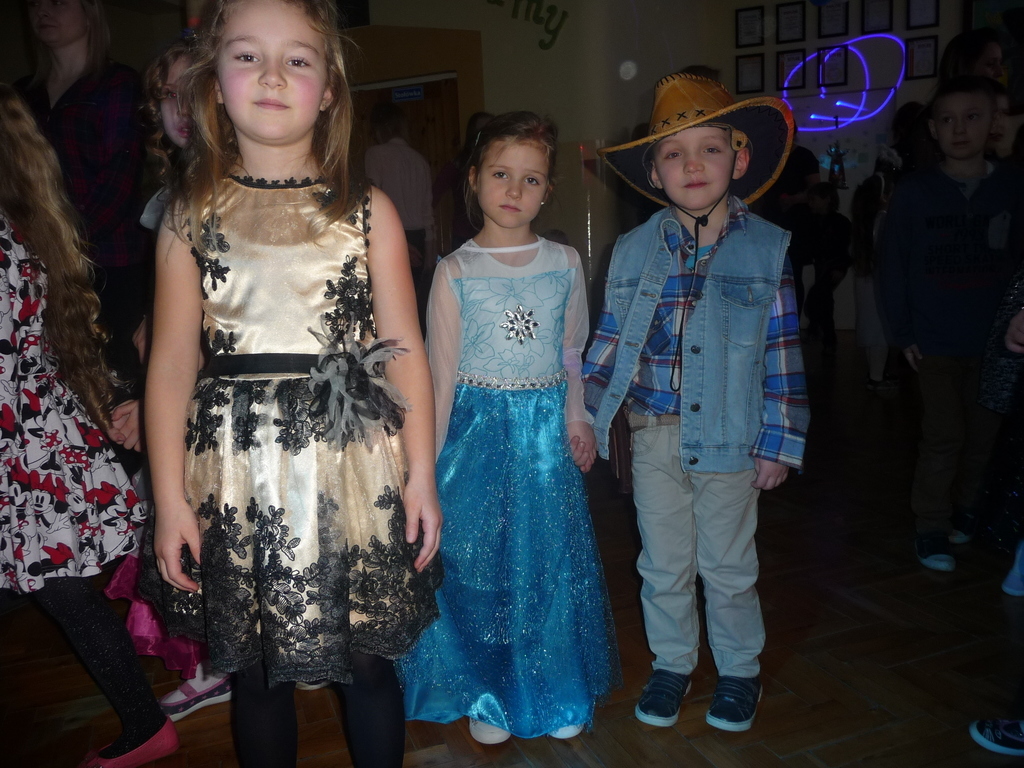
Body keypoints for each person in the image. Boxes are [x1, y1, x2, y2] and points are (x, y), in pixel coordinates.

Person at [143, 1, 443, 765]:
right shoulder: (189, 213)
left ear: (330, 88)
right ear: (215, 84)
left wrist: (422, 474)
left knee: (369, 664)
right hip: (234, 474)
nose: (272, 75)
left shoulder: (367, 211)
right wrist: (170, 500)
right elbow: (171, 366)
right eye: (248, 56)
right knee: (256, 674)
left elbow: (405, 351)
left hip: (352, 467)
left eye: (298, 59)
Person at [584, 72, 809, 733]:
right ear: (654, 173)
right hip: (653, 434)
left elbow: (783, 355)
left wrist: (779, 443)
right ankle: (672, 662)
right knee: (662, 564)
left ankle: (739, 670)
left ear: (739, 160)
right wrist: (584, 420)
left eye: (710, 148)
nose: (692, 165)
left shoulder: (768, 249)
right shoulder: (630, 251)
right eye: (674, 153)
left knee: (728, 567)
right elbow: (608, 345)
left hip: (732, 438)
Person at [399, 111, 620, 745]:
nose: (515, 190)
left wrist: (578, 416)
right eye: (501, 174)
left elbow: (572, 351)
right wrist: (426, 467)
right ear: (474, 179)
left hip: (545, 439)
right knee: (480, 569)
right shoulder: (455, 271)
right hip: (475, 439)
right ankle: (489, 696)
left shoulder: (564, 262)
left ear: (548, 190)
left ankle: (558, 689)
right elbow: (439, 375)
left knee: (550, 563)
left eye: (531, 179)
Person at [0, 83, 177, 767]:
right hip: (37, 441)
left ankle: (147, 722)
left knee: (63, 590)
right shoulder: (22, 228)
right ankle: (146, 721)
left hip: (27, 449)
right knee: (62, 589)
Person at [101, 35, 234, 724]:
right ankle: (219, 661)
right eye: (166, 95)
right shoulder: (170, 196)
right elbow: (166, 320)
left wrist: (164, 401)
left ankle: (230, 662)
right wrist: (142, 390)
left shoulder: (235, 187)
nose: (179, 107)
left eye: (193, 88)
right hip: (185, 388)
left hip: (229, 399)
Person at [879, 75, 1024, 572]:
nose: (960, 129)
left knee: (984, 437)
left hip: (998, 343)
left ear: (993, 122)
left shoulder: (1012, 186)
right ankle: (931, 525)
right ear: (933, 130)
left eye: (972, 117)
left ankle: (968, 508)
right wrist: (903, 333)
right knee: (943, 436)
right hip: (935, 340)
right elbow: (894, 266)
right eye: (948, 120)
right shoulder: (915, 193)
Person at [17, 0, 148, 385]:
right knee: (52, 377)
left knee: (115, 380)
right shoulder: (23, 93)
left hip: (110, 264)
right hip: (38, 261)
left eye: (58, 0)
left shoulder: (119, 84)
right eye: (35, 1)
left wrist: (59, 244)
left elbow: (118, 184)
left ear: (90, 11)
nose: (43, 9)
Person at [850, 154, 899, 390]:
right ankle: (876, 378)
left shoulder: (864, 222)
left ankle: (874, 375)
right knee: (880, 332)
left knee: (871, 330)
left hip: (866, 280)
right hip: (881, 283)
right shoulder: (883, 220)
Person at [799, 182, 851, 356]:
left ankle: (823, 335)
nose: (810, 203)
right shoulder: (814, 220)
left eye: (814, 199)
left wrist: (840, 267)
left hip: (832, 266)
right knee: (823, 300)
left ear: (827, 199)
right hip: (823, 265)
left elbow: (845, 248)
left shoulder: (840, 223)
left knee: (820, 299)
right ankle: (825, 336)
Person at [432, 110, 494, 254]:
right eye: (482, 132)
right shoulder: (457, 165)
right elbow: (432, 196)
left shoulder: (501, 165)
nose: (487, 136)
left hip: (495, 234)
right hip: (465, 236)